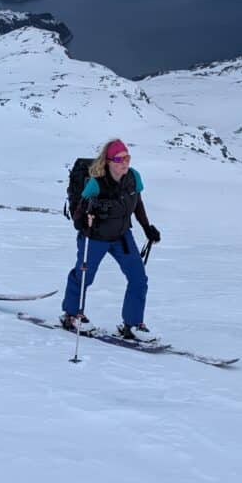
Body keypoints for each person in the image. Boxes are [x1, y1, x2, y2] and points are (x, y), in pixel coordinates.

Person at [61, 138, 161, 342]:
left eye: (127, 158)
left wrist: (147, 228)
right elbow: (79, 214)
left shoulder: (133, 177)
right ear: (108, 161)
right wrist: (84, 219)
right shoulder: (95, 182)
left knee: (139, 278)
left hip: (122, 236)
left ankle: (132, 324)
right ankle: (72, 315)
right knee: (84, 277)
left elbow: (137, 204)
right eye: (119, 159)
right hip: (95, 237)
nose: (125, 163)